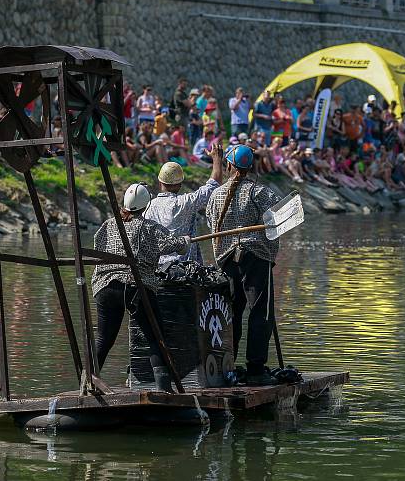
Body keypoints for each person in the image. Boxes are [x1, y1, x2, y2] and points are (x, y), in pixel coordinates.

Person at [91, 183, 190, 392]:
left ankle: (89, 379)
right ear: (145, 206)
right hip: (135, 286)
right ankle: (164, 388)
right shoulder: (149, 227)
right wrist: (186, 241)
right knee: (155, 336)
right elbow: (174, 244)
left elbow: (97, 246)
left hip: (105, 287)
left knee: (104, 337)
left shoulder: (108, 225)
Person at [205, 144, 281, 386]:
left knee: (232, 314)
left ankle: (229, 366)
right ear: (250, 167)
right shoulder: (261, 193)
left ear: (229, 166)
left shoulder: (216, 195)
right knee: (261, 313)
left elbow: (210, 222)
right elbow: (277, 222)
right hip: (255, 258)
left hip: (227, 261)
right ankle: (256, 369)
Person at [144, 142, 223, 265]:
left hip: (157, 269)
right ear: (180, 185)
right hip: (184, 269)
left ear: (160, 182)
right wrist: (217, 160)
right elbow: (213, 187)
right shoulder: (185, 203)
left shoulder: (148, 207)